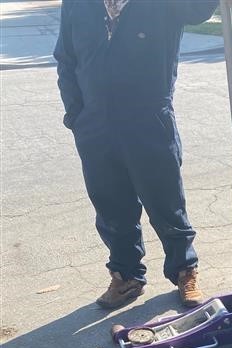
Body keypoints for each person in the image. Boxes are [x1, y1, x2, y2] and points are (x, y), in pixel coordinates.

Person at [53, 0, 220, 309]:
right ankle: (126, 276)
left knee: (165, 200)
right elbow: (65, 56)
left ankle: (184, 271)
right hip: (94, 122)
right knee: (111, 204)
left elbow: (198, 9)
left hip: (149, 116)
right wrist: (76, 114)